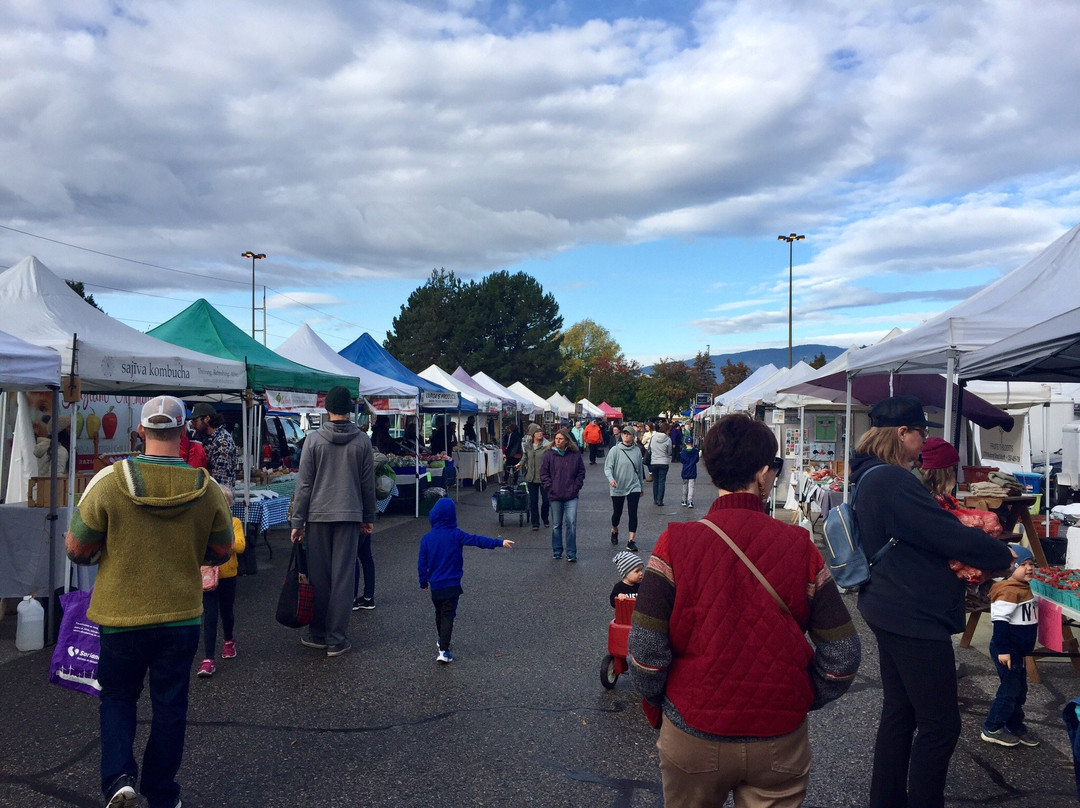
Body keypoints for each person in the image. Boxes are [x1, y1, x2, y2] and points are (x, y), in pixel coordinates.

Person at [629, 413, 861, 808]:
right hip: (778, 737)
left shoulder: (675, 543)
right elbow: (842, 656)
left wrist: (670, 705)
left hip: (693, 730)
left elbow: (645, 654)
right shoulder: (798, 545)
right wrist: (801, 696)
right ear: (762, 473)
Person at [66, 395, 234, 808]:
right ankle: (162, 794)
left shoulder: (108, 481)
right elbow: (223, 550)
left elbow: (75, 548)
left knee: (119, 697)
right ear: (183, 432)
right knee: (171, 704)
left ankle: (120, 780)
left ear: (141, 432)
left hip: (120, 617)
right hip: (180, 616)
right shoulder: (206, 488)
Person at [850, 395, 1014, 808]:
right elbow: (943, 532)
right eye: (921, 432)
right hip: (910, 612)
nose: (924, 441)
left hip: (887, 603)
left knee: (900, 713)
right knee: (940, 725)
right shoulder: (892, 480)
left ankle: (885, 800)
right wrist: (1000, 556)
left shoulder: (869, 475)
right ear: (901, 433)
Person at [290, 386, 377, 658]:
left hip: (317, 517)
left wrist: (297, 521)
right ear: (350, 409)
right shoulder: (362, 441)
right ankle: (336, 639)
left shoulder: (313, 440)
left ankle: (317, 633)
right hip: (349, 515)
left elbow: (303, 485)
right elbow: (367, 485)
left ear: (327, 409)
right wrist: (368, 517)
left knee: (319, 577)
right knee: (343, 577)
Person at [418, 497, 514, 663]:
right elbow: (477, 540)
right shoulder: (456, 534)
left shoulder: (427, 538)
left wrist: (423, 582)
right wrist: (499, 542)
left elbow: (422, 563)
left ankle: (442, 639)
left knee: (439, 613)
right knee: (449, 615)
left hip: (436, 586)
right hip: (452, 584)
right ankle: (444, 650)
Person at [981, 544, 1040, 748]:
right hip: (1008, 649)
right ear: (1011, 568)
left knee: (1019, 689)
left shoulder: (1024, 587)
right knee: (1009, 689)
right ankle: (992, 727)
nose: (1029, 568)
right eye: (1023, 564)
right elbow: (1000, 623)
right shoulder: (1008, 591)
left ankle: (1015, 724)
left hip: (1018, 650)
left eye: (1031, 563)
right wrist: (1003, 650)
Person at [197, 484, 246, 678]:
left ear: (229, 504)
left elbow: (241, 546)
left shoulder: (234, 523)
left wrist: (224, 540)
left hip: (227, 575)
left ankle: (228, 640)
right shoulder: (204, 524)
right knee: (209, 616)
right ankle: (208, 658)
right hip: (208, 576)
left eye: (223, 503)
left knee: (227, 611)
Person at [540, 428, 587, 562]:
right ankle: (557, 550)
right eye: (556, 438)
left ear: (566, 440)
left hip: (571, 494)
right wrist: (550, 487)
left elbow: (580, 472)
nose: (558, 441)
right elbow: (544, 473)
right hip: (555, 495)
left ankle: (571, 552)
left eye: (561, 439)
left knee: (571, 523)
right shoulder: (549, 454)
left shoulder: (574, 454)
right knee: (556, 524)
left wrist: (576, 487)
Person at [604, 423, 645, 552]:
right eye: (624, 433)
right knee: (617, 513)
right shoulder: (615, 450)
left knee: (633, 513)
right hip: (618, 486)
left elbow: (639, 471)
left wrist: (641, 486)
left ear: (633, 436)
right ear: (621, 435)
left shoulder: (637, 450)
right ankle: (614, 529)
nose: (626, 436)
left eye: (629, 434)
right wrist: (611, 479)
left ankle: (631, 541)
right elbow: (608, 468)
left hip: (634, 486)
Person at [190, 403, 237, 486]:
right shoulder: (206, 437)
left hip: (219, 493)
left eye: (195, 421)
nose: (193, 426)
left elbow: (220, 479)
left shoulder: (222, 442)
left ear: (207, 419)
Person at [518, 424, 550, 531]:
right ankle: (535, 523)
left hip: (544, 478)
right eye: (537, 432)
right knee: (533, 501)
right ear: (532, 434)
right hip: (531, 477)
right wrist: (520, 464)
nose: (540, 433)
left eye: (541, 431)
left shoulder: (547, 446)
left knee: (546, 500)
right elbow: (525, 456)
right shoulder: (528, 445)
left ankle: (545, 518)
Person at [648, 423, 673, 505]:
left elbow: (650, 448)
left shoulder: (653, 437)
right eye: (669, 430)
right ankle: (660, 500)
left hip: (654, 461)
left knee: (655, 481)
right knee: (662, 481)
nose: (669, 432)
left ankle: (655, 499)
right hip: (664, 462)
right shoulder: (668, 439)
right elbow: (669, 452)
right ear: (666, 430)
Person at [680, 437, 700, 508]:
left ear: (685, 443)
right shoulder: (695, 451)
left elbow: (682, 460)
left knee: (685, 486)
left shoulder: (683, 451)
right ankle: (690, 501)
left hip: (685, 471)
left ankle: (684, 500)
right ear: (692, 443)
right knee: (691, 486)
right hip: (693, 470)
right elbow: (697, 460)